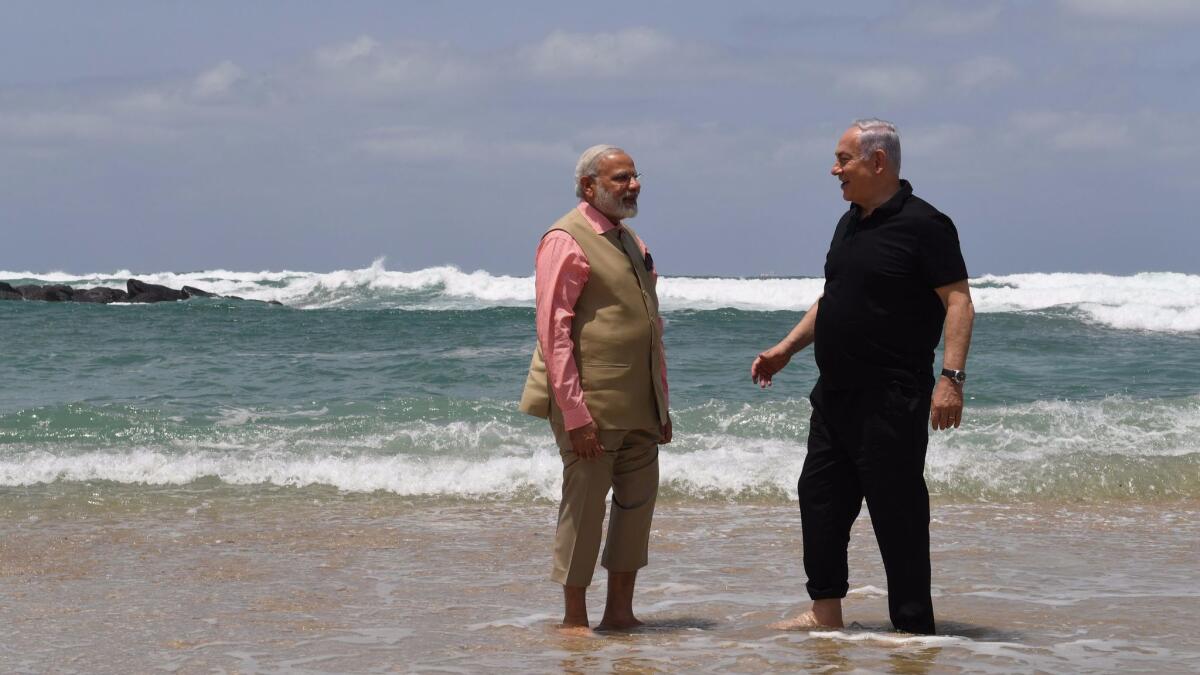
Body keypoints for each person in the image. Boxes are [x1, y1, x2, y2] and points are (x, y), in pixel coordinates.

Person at [751, 119, 975, 635]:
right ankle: (825, 613)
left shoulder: (926, 225)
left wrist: (951, 377)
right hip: (834, 395)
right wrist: (785, 349)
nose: (835, 170)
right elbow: (834, 298)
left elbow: (958, 300)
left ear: (878, 162)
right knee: (820, 499)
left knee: (897, 514)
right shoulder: (848, 223)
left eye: (843, 159)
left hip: (892, 397)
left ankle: (914, 629)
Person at [519, 144, 672, 635]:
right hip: (590, 407)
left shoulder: (630, 240)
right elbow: (553, 331)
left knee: (635, 511)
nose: (634, 185)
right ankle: (573, 620)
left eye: (635, 176)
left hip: (640, 406)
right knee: (584, 512)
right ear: (590, 186)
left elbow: (652, 327)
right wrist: (575, 411)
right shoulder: (566, 239)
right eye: (622, 178)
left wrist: (661, 405)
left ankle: (620, 614)